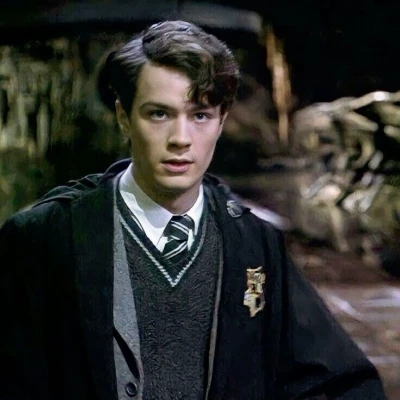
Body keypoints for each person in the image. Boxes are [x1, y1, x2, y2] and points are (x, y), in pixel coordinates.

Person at [0, 20, 388, 400]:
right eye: (159, 114)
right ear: (124, 118)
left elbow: (342, 381)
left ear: (221, 122)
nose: (181, 139)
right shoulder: (46, 237)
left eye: (200, 115)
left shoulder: (254, 244)